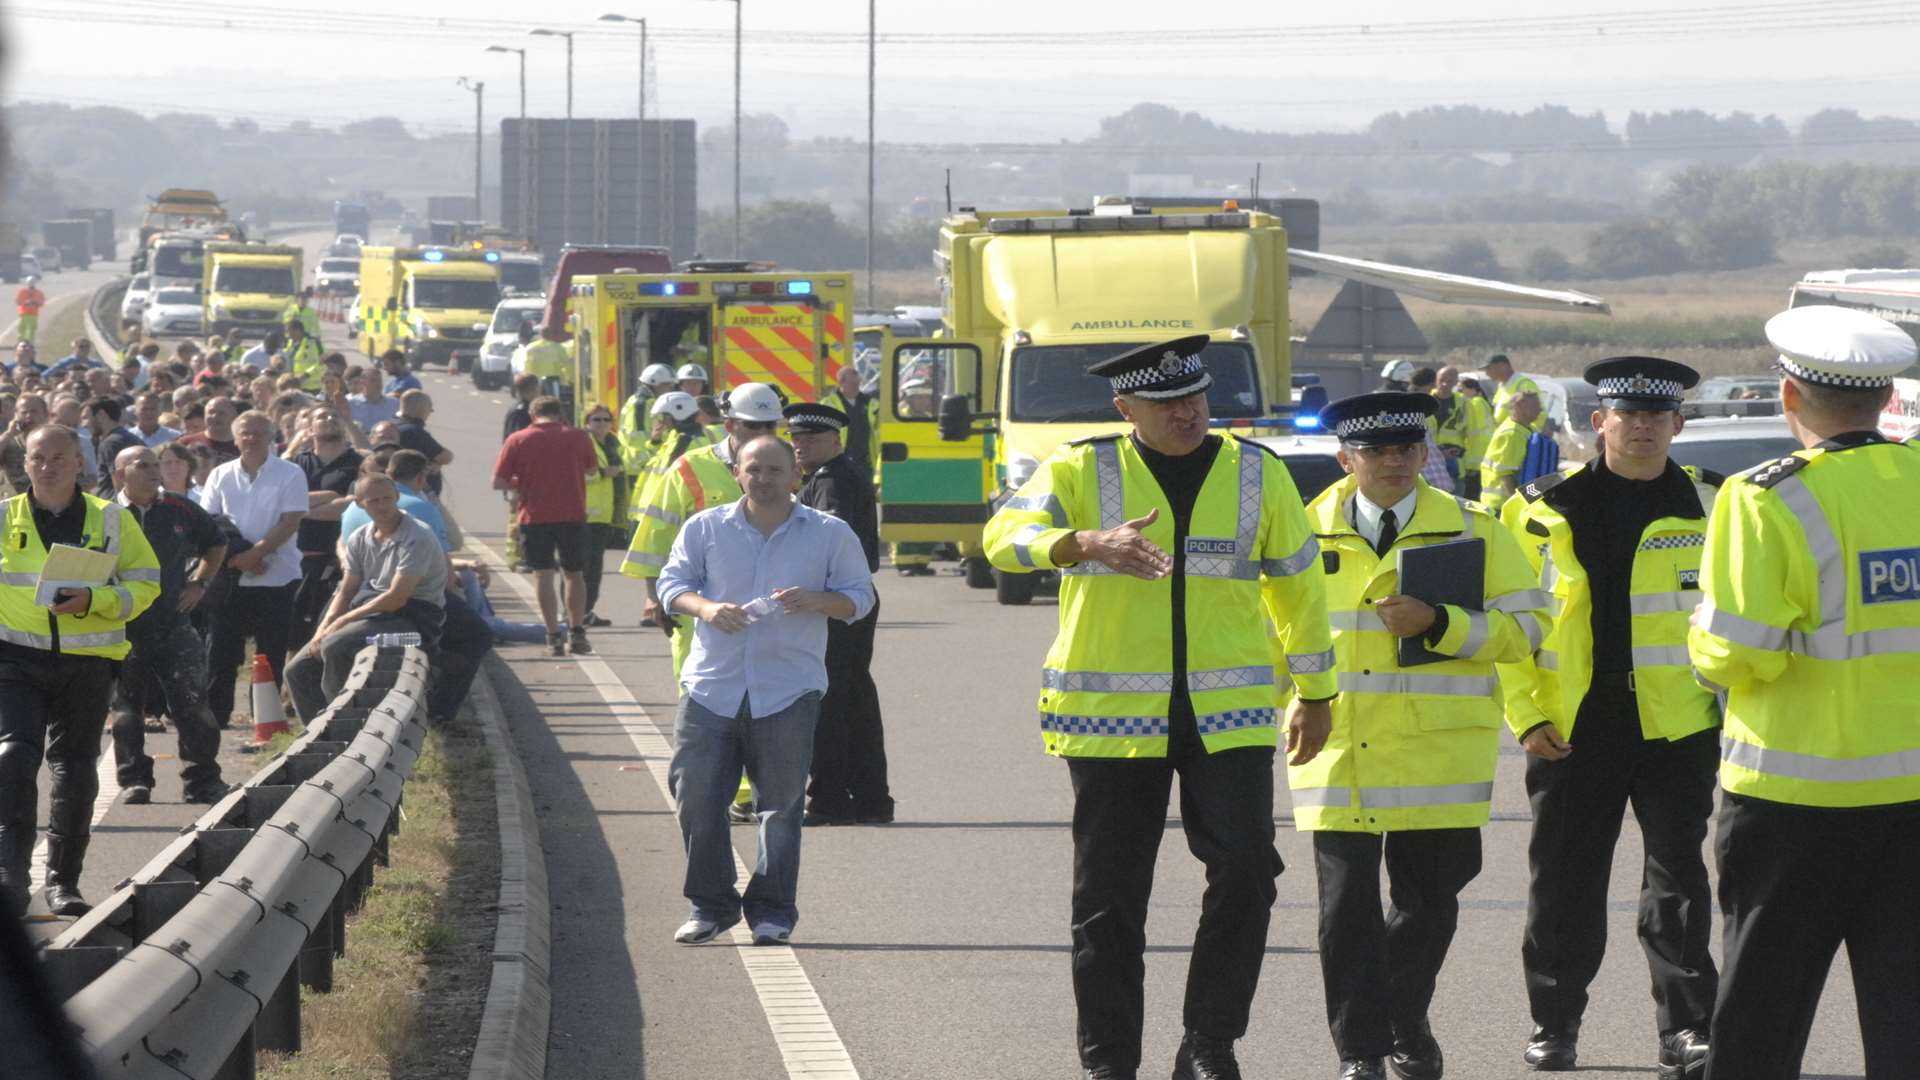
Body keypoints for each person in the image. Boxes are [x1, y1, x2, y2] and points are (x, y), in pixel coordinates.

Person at [981, 335, 1337, 1080]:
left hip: (1230, 715)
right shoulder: (1083, 465)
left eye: (1196, 397)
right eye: (1167, 401)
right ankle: (1110, 1062)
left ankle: (1210, 1042)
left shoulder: (1256, 472)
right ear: (1125, 408)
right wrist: (1080, 542)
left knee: (1247, 872)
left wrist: (1317, 692)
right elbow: (1002, 540)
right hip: (1112, 722)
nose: (1187, 411)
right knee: (1109, 901)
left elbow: (1300, 589)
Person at [1689, 306, 1920, 1080]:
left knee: (1762, 1017)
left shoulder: (1764, 498)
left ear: (1789, 397)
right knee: (1906, 1016)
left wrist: (1699, 632)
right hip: (1912, 796)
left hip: (1792, 800)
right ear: (1888, 399)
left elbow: (1733, 654)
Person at [1292, 393, 1546, 1080]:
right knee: (1345, 909)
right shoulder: (1298, 532)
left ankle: (1405, 1018)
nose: (1394, 462)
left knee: (1428, 906)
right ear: (1346, 458)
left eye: (1407, 449)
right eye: (1376, 451)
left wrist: (1441, 623)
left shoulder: (1475, 530)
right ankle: (1364, 1052)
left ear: (1423, 453)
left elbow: (1529, 630)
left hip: (1440, 754)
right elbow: (1264, 634)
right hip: (1338, 746)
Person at [1496, 356, 1723, 1076]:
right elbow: (1509, 628)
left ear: (1678, 424)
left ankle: (1686, 1030)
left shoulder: (1714, 505)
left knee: (1679, 883)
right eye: (1629, 415)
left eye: (1659, 417)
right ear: (1600, 422)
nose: (1644, 428)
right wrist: (1527, 717)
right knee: (1563, 882)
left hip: (1678, 725)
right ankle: (1555, 1025)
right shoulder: (1538, 508)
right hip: (1571, 729)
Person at [657, 435, 875, 947]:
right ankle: (710, 905)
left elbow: (861, 599)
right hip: (712, 686)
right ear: (737, 472)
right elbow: (672, 586)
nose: (764, 478)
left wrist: (818, 600)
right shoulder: (705, 527)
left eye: (775, 469)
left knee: (780, 808)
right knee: (696, 798)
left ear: (793, 474)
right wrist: (706, 608)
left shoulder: (828, 533)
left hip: (788, 690)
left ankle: (773, 911)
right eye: (754, 468)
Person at [0, 426, 162, 916]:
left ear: (79, 464)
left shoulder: (112, 519)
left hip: (88, 662)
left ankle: (62, 883)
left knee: (74, 772)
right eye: (37, 457)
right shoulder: (5, 518)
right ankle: (10, 878)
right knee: (12, 759)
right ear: (24, 463)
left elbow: (148, 582)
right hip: (15, 660)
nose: (46, 466)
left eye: (58, 458)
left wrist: (96, 599)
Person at [623, 383, 784, 675]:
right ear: (730, 424)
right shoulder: (688, 468)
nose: (763, 435)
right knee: (697, 691)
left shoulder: (786, 468)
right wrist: (654, 595)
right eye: (753, 426)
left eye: (769, 426)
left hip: (768, 608)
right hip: (699, 607)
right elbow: (656, 535)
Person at [786, 402, 890, 827]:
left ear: (835, 441)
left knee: (829, 702)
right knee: (854, 700)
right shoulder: (831, 477)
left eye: (810, 438)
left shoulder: (831, 483)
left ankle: (829, 798)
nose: (800, 446)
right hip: (846, 599)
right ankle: (869, 797)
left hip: (835, 602)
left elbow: (825, 545)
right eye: (795, 438)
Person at [107, 446, 229, 807]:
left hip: (173, 623)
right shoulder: (103, 512)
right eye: (142, 465)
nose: (153, 471)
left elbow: (217, 543)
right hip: (123, 626)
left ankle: (202, 781)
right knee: (127, 710)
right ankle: (134, 781)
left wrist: (200, 583)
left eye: (155, 464)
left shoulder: (180, 508)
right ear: (119, 474)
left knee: (193, 704)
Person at [287, 474, 446, 720]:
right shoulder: (360, 537)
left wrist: (341, 623)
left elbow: (396, 598)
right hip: (370, 610)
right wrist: (324, 627)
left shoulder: (417, 536)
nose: (383, 506)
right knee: (297, 669)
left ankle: (345, 724)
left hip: (412, 618)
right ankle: (319, 731)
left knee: (337, 645)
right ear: (360, 504)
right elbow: (347, 589)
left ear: (397, 498)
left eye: (388, 499)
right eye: (374, 501)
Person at [199, 411, 307, 729]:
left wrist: (258, 553)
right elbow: (211, 522)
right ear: (235, 438)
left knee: (269, 652)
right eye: (245, 432)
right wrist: (240, 557)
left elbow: (290, 521)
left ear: (270, 436)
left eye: (259, 432)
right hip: (229, 576)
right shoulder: (220, 474)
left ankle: (266, 720)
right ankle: (217, 717)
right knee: (220, 650)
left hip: (277, 576)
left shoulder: (290, 474)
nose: (251, 438)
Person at [493, 396, 599, 656]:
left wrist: (522, 482)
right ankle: (576, 632)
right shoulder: (578, 437)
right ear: (560, 413)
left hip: (534, 517)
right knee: (574, 574)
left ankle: (552, 636)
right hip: (572, 515)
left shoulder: (518, 439)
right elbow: (592, 470)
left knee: (543, 575)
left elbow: (498, 481)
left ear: (532, 414)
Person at [288, 411, 364, 654]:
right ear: (309, 429)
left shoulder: (358, 463)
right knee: (293, 631)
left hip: (341, 563)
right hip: (299, 559)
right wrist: (332, 497)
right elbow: (278, 504)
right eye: (321, 417)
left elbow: (352, 505)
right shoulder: (297, 465)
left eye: (334, 416)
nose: (330, 419)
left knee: (332, 633)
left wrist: (298, 510)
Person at [581, 403, 626, 628]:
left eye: (606, 420)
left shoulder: (611, 444)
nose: (601, 424)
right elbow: (575, 473)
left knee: (595, 569)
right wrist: (602, 473)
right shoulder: (584, 443)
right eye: (596, 420)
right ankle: (575, 612)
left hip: (604, 515)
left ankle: (586, 611)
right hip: (585, 514)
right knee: (582, 568)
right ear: (587, 422)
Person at [1479, 387, 1543, 502]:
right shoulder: (1511, 434)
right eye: (1535, 406)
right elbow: (1506, 476)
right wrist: (1518, 505)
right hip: (1501, 504)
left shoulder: (1528, 429)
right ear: (1520, 406)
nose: (1540, 410)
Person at [394, 389, 452, 495]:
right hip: (413, 492)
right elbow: (446, 456)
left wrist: (435, 463)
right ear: (420, 408)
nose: (431, 412)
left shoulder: (391, 424)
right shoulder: (413, 431)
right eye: (430, 408)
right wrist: (436, 463)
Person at [85, 396, 144, 496]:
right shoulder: (132, 438)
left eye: (88, 417)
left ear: (101, 414)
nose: (87, 423)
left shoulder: (110, 444)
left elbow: (120, 486)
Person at [828, 364, 876, 478]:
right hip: (841, 458)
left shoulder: (870, 403)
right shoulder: (829, 404)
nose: (856, 386)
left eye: (858, 383)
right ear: (841, 383)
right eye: (852, 383)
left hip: (866, 460)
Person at [1426, 366, 1468, 490]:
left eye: (1450, 381)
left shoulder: (1463, 403)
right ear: (1435, 380)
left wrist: (1471, 465)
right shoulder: (1425, 400)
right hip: (1430, 464)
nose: (1444, 384)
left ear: (1456, 382)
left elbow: (1473, 435)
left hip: (1454, 463)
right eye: (1442, 380)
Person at [0, 395, 47, 496]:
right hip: (14, 500)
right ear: (16, 415)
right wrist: (9, 434)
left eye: (33, 411)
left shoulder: (56, 440)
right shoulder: (9, 441)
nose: (28, 416)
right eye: (24, 412)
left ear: (45, 414)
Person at [178, 394, 241, 468]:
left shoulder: (243, 445)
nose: (215, 416)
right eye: (211, 412)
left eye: (221, 413)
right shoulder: (185, 443)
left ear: (234, 417)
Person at [1481, 353, 1542, 429]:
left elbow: (1539, 416)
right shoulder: (1501, 387)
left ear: (1503, 366)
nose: (1487, 373)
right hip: (1505, 435)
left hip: (1518, 437)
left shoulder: (1524, 384)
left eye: (1489, 369)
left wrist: (1527, 435)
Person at [346, 363, 400, 433]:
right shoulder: (351, 404)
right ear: (363, 382)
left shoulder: (394, 404)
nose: (379, 384)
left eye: (380, 380)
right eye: (373, 380)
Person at [280, 317, 323, 388]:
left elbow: (321, 363)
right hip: (295, 384)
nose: (287, 334)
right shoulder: (290, 342)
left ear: (297, 330)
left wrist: (306, 375)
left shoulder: (312, 342)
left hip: (311, 386)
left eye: (288, 331)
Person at [502, 372, 539, 440]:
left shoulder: (528, 408)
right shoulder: (520, 412)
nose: (539, 391)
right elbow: (516, 438)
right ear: (531, 389)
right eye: (537, 387)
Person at [14, 278, 46, 347]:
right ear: (27, 283)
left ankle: (29, 343)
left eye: (32, 282)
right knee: (21, 329)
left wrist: (35, 302)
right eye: (30, 282)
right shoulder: (22, 291)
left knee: (31, 330)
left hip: (33, 314)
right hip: (23, 313)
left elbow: (42, 303)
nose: (31, 284)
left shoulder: (39, 293)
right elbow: (17, 301)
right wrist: (26, 302)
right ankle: (21, 342)